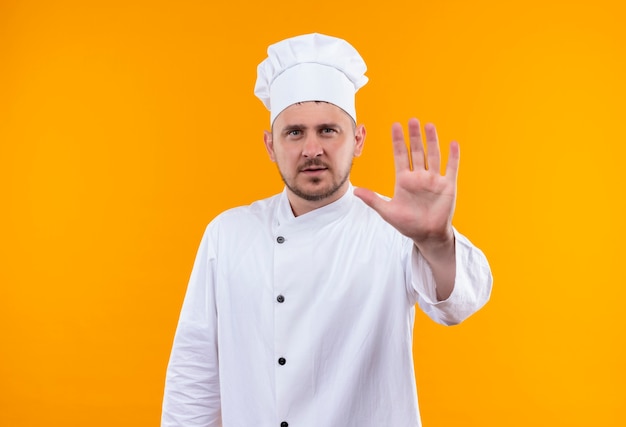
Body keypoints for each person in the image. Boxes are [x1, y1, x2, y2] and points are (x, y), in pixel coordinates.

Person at [161, 33, 492, 427]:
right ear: (270, 145)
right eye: (295, 132)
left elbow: (460, 304)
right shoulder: (228, 234)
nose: (312, 149)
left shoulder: (394, 229)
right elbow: (194, 375)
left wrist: (436, 242)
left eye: (328, 131)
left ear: (358, 139)